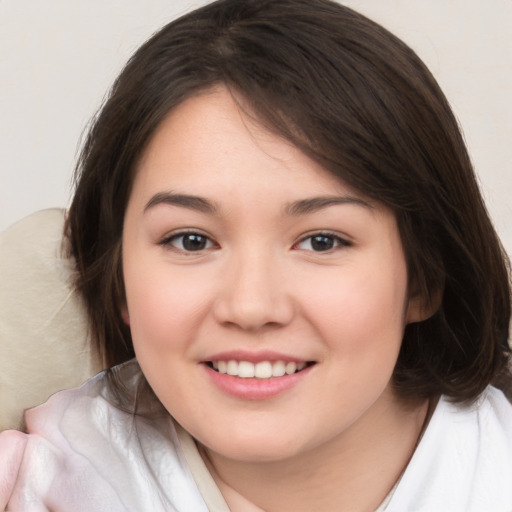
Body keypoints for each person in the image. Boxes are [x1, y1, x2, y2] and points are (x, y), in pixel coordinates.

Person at [1, 0, 511, 510]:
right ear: (119, 280)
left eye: (322, 241)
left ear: (424, 278)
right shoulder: (37, 487)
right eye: (191, 240)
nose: (250, 307)